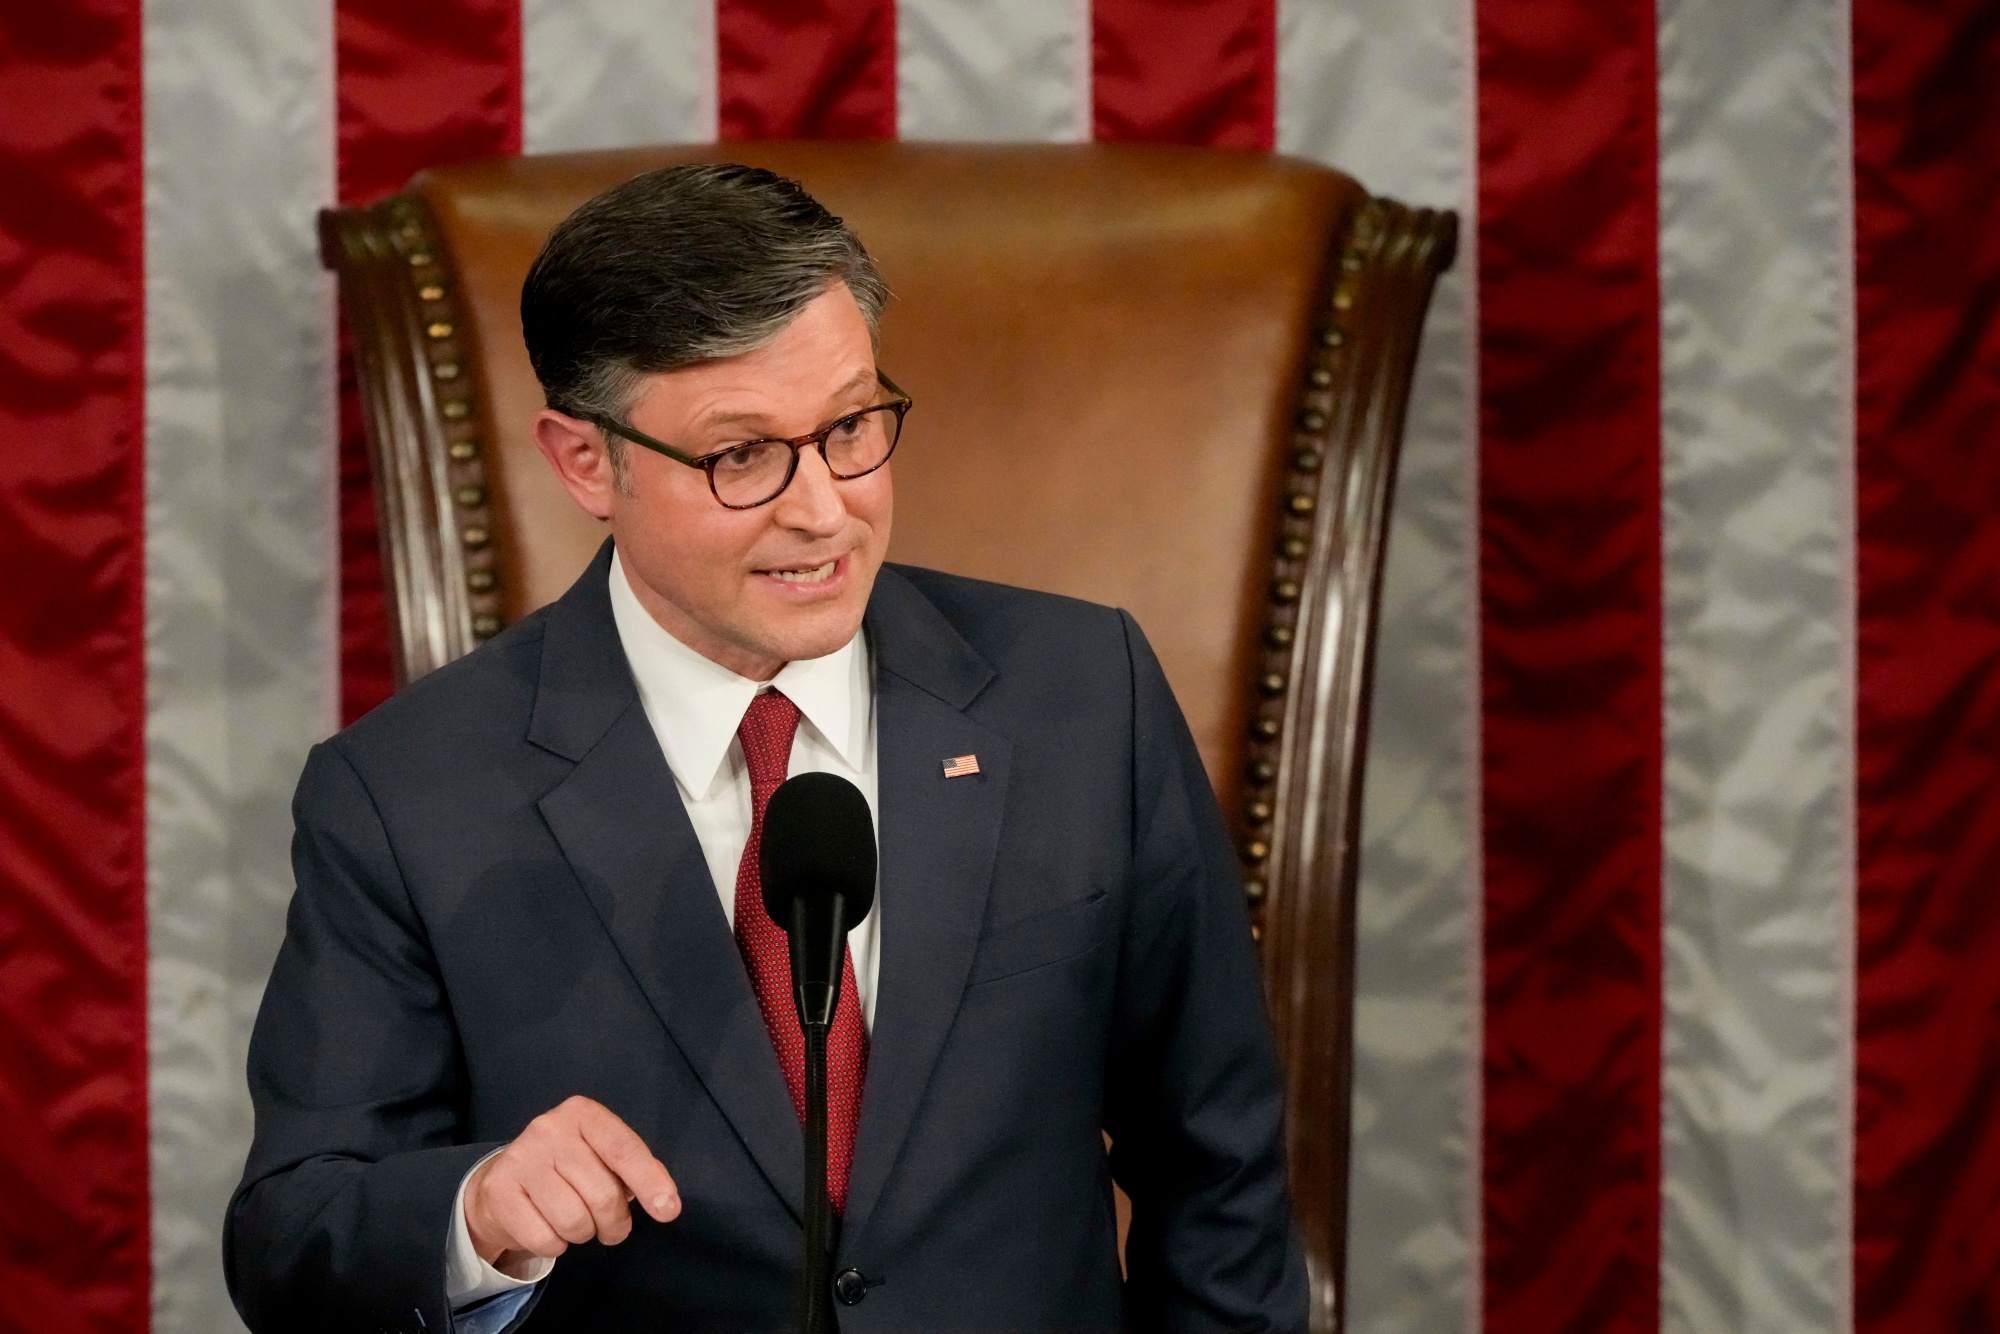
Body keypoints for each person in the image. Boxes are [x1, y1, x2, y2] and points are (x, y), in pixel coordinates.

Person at [225, 163, 1307, 1334]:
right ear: (587, 460)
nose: (823, 509)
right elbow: (294, 1230)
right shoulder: (403, 796)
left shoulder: (1085, 698)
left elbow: (1219, 1169)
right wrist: (473, 1211)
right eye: (741, 455)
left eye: (848, 426)